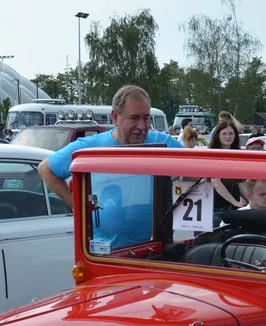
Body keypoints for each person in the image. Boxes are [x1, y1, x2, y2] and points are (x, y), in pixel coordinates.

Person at [37, 85, 182, 249]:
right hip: (104, 251)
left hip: (152, 247)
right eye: (134, 118)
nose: (141, 126)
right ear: (115, 116)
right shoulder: (90, 147)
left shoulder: (163, 144)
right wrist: (79, 207)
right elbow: (45, 169)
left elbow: (195, 172)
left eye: (146, 118)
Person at [208, 121, 246, 214]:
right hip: (216, 208)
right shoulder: (213, 155)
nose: (228, 137)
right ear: (217, 135)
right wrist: (234, 202)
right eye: (224, 133)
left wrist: (249, 199)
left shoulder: (237, 155)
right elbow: (216, 182)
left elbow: (238, 182)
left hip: (232, 207)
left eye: (231, 133)